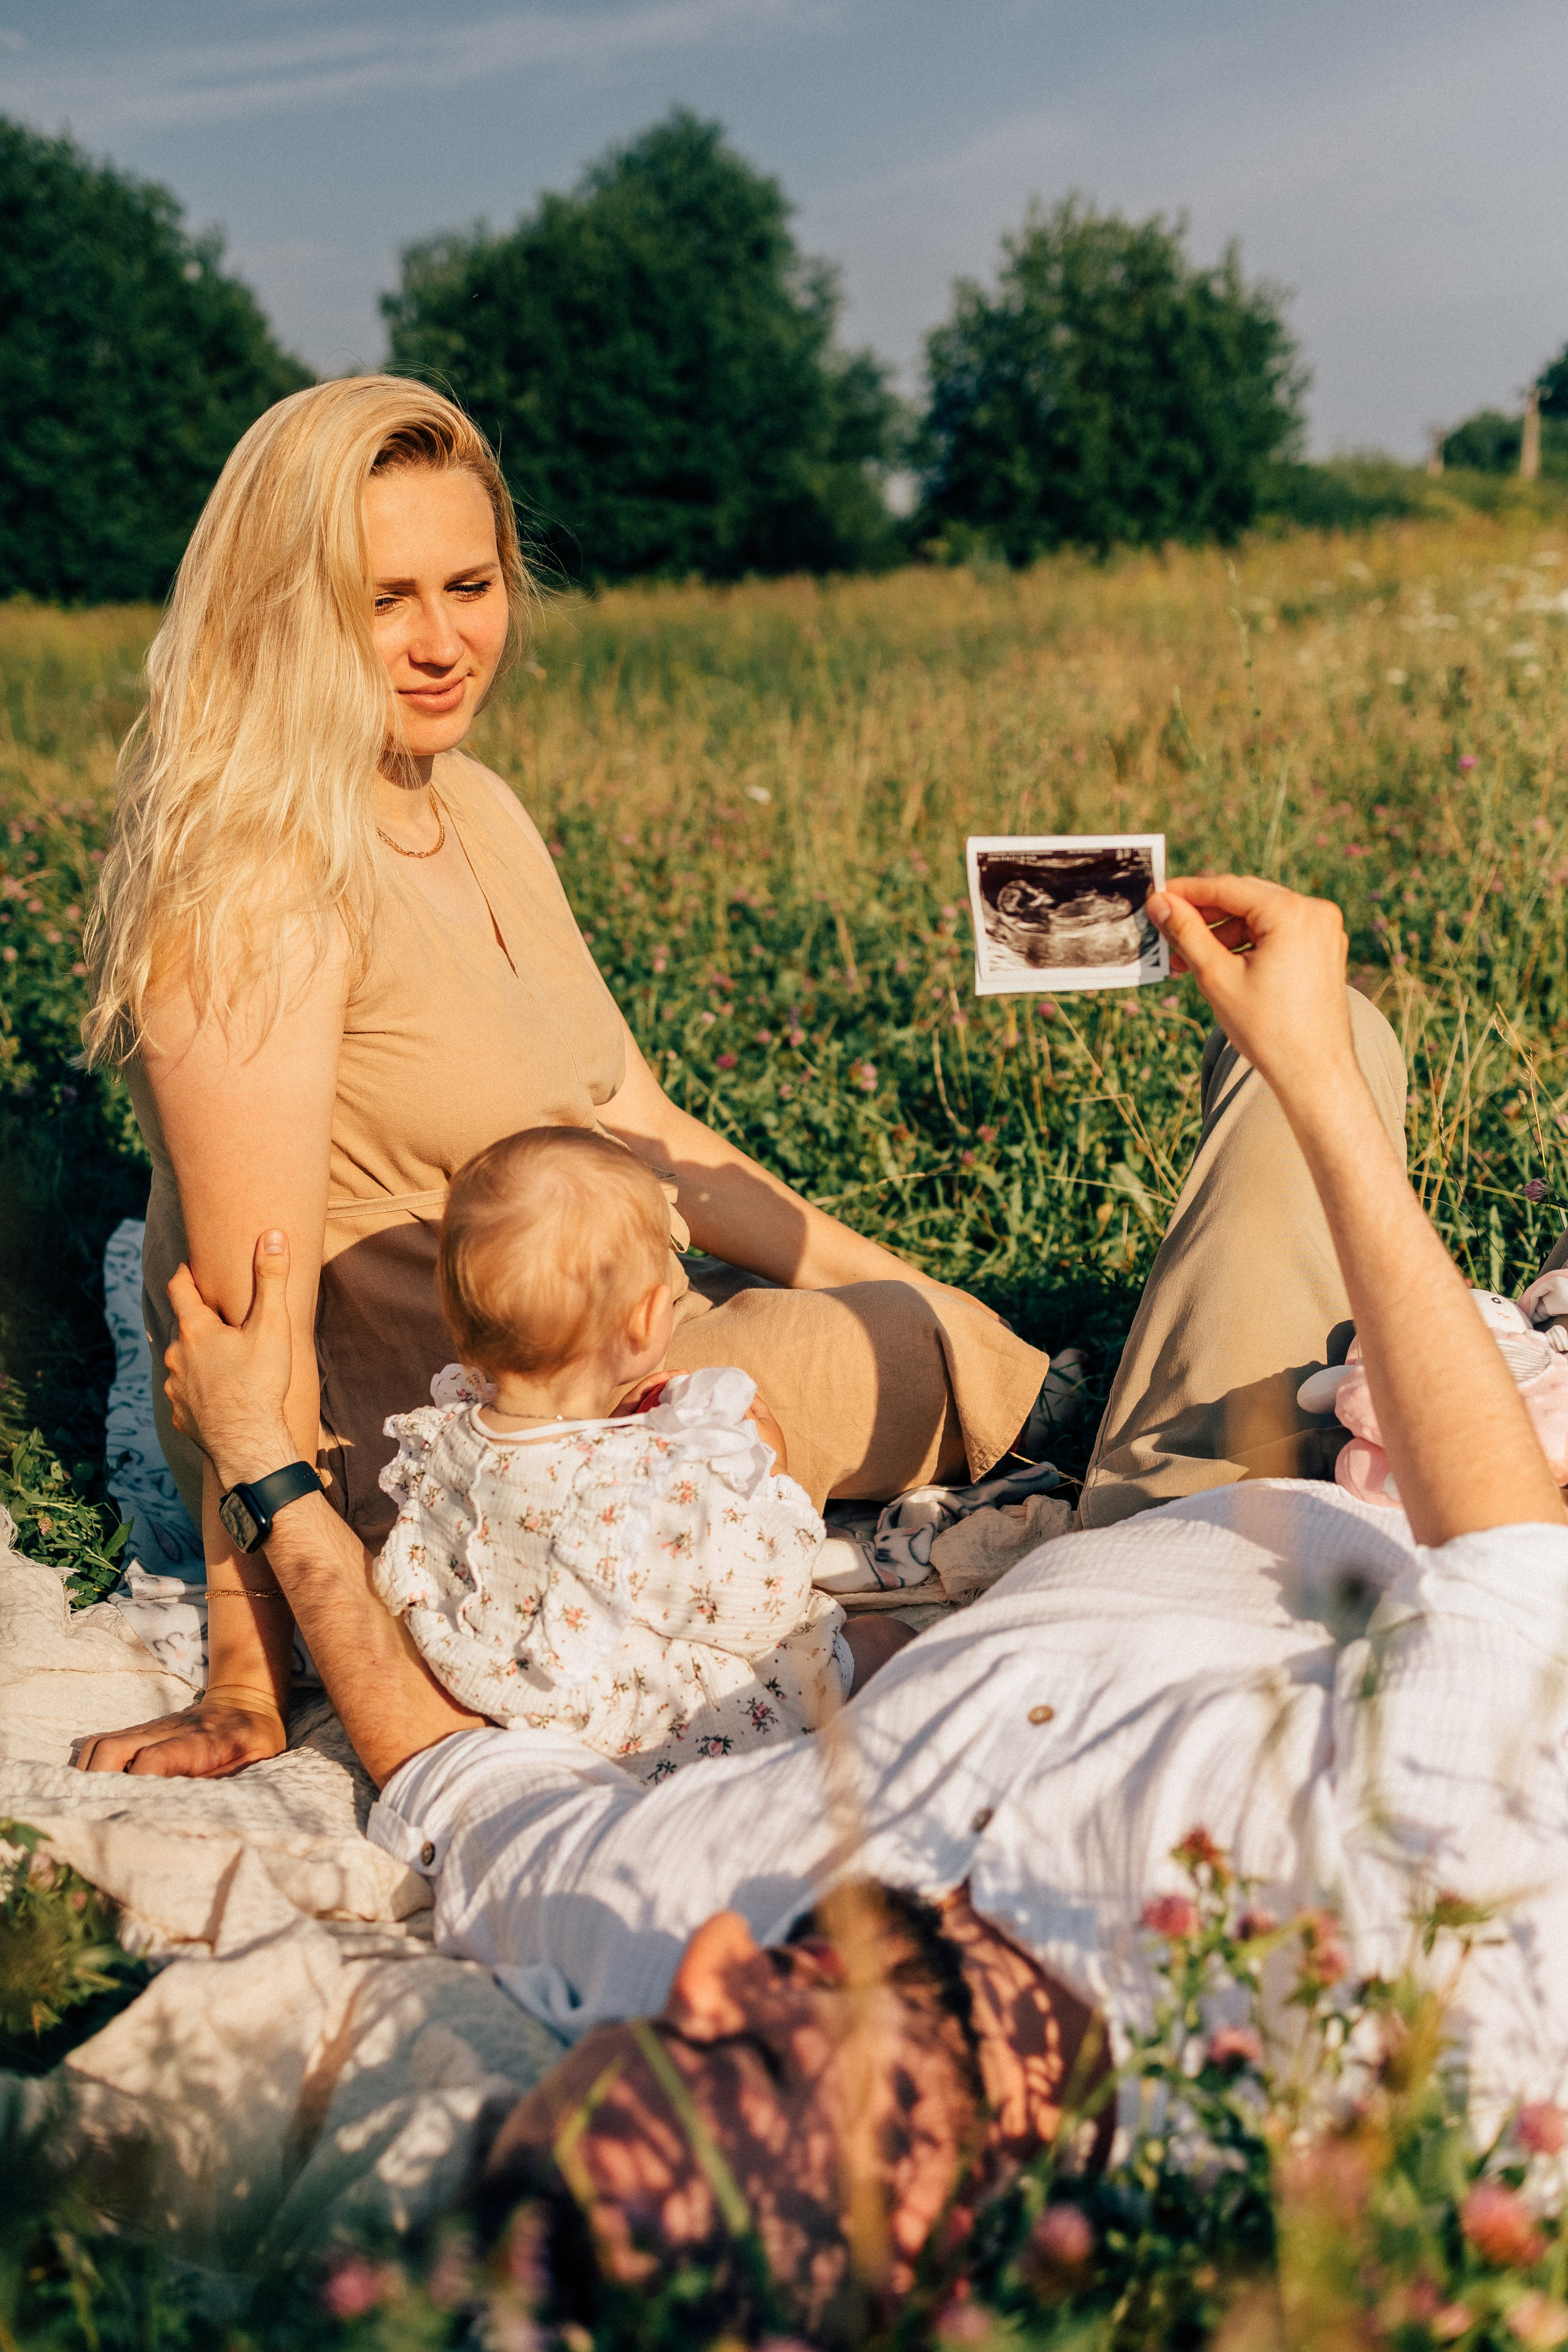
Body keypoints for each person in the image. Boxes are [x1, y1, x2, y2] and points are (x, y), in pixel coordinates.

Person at [91, 873, 1568, 2338]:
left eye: (659, 2026)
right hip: (1394, 1511)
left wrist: (266, 1464)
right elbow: (1504, 1536)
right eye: (737, 2058)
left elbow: (443, 1771)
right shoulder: (1386, 1962)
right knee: (1319, 1050)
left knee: (1308, 1038)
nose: (719, 1964)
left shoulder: (668, 1919)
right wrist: (1307, 1070)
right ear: (920, 2230)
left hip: (1158, 1497)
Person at [79, 374, 1050, 1779]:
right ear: (287, 608)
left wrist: (906, 1278)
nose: (438, 642)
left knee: (911, 1323)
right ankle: (1187, 1451)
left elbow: (638, 1121)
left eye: (466, 585)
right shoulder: (255, 888)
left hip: (618, 1359)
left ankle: (1130, 1412)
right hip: (456, 1463)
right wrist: (246, 1672)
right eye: (381, 599)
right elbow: (239, 1324)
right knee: (902, 1365)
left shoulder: (467, 800)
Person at [373, 1124, 904, 1781]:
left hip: (521, 1705)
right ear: (649, 1320)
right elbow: (759, 1603)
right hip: (652, 1737)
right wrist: (775, 1476)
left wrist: (608, 1429)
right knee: (878, 1647)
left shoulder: (446, 1437)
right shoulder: (633, 1491)